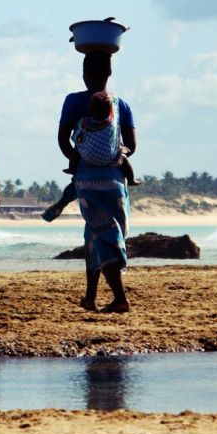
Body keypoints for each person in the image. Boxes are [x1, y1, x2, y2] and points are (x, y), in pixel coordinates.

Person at [54, 52, 136, 313]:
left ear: (84, 73)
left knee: (102, 235)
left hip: (88, 182)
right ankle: (90, 297)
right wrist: (113, 158)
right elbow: (131, 146)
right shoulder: (121, 104)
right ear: (109, 73)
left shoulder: (74, 101)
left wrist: (79, 161)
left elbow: (62, 139)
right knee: (96, 235)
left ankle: (120, 298)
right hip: (115, 182)